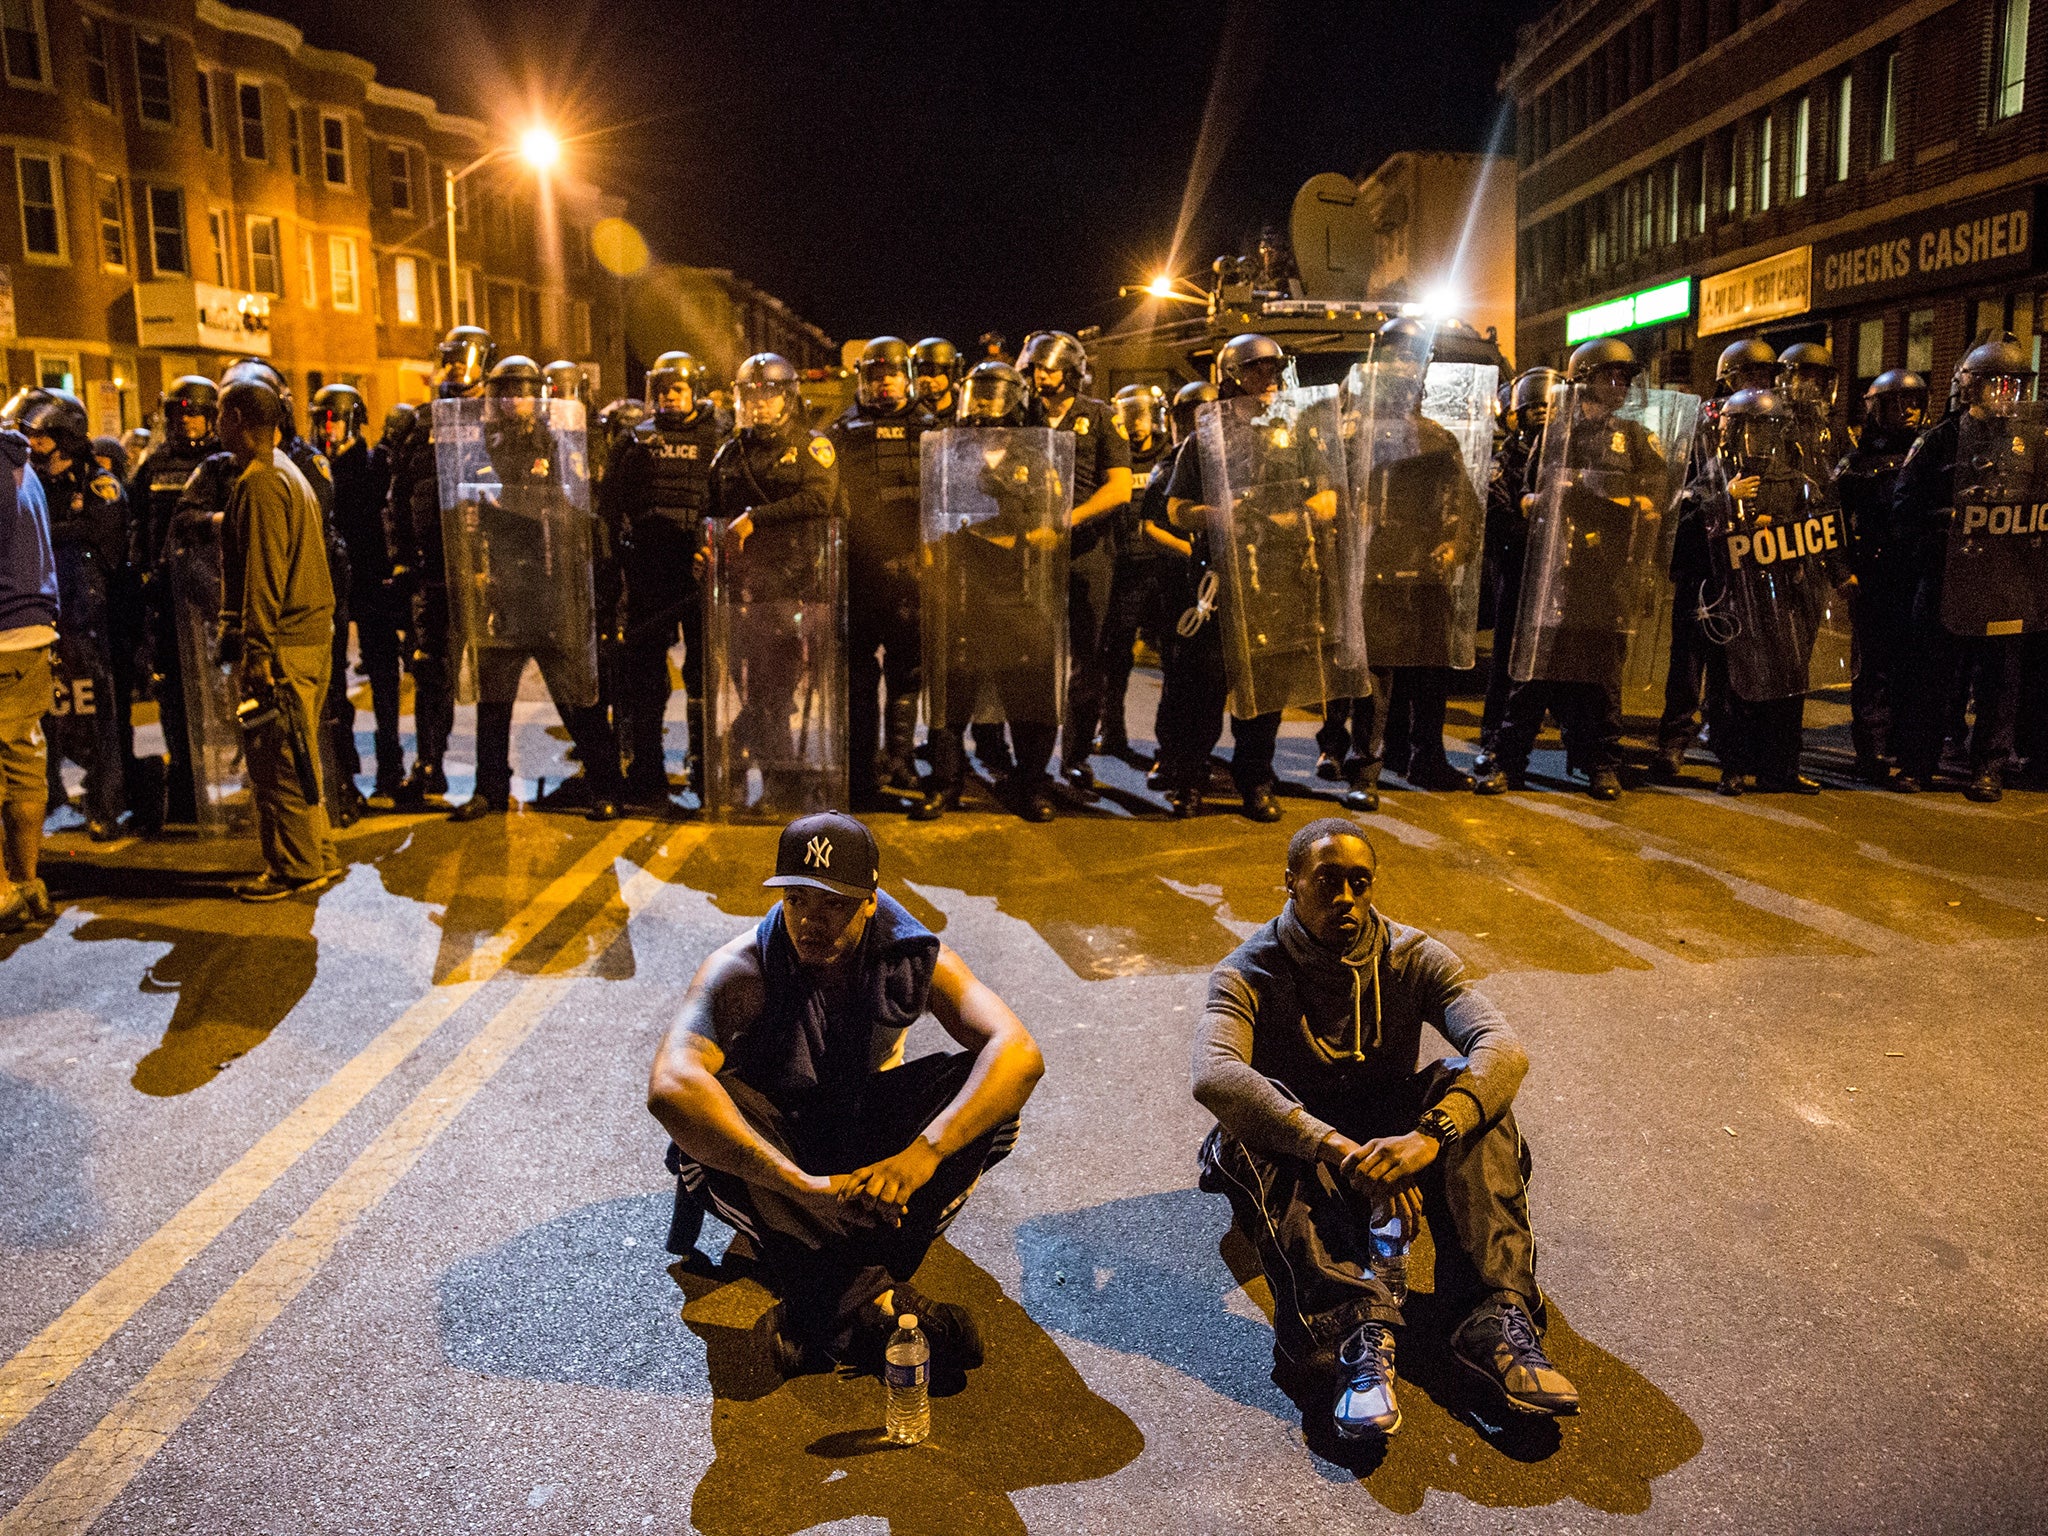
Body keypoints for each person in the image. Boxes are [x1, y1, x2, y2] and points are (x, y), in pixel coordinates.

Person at [1191, 818, 1576, 1440]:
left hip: (1397, 1135)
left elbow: (1502, 1048)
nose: (1345, 897)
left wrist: (1430, 1135)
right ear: (1290, 882)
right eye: (1327, 881)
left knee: (1473, 1091)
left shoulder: (1414, 954)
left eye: (1359, 883)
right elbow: (1214, 1074)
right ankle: (1352, 1330)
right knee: (1238, 1135)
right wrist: (1341, 1153)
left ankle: (1490, 1315)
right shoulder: (1245, 971)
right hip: (1304, 1147)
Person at [647, 810, 1043, 1372]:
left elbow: (1019, 1051)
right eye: (798, 900)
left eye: (834, 903)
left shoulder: (911, 955)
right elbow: (668, 1087)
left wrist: (920, 1156)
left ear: (870, 901)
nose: (813, 921)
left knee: (992, 1101)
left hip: (858, 1123)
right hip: (779, 1149)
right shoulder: (742, 967)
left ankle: (817, 1308)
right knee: (703, 1116)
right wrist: (800, 1185)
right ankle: (873, 1305)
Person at [1475, 337, 1671, 802]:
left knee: (1600, 677)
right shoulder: (1555, 435)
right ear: (1585, 381)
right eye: (1611, 376)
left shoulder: (1637, 438)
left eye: (1625, 378)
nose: (1620, 385)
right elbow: (1526, 496)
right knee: (1534, 672)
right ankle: (1508, 761)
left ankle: (1601, 762)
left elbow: (1662, 492)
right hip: (1555, 570)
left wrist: (1647, 505)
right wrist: (1541, 501)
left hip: (1606, 575)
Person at [444, 357, 623, 824]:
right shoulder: (483, 443)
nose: (511, 400)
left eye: (520, 391)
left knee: (572, 692)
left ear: (537, 395)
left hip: (551, 583)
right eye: (504, 392)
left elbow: (577, 503)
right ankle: (489, 790)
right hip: (504, 584)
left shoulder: (558, 441)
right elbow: (465, 497)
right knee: (494, 694)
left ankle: (605, 785)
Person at [1164, 333, 1333, 823]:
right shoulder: (1204, 437)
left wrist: (1286, 518)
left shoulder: (1298, 434)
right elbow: (1175, 509)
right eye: (1258, 370)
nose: (1269, 380)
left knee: (1266, 692)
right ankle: (1190, 783)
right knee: (1205, 690)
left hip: (1279, 578)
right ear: (1233, 376)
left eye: (1274, 370)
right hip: (1221, 578)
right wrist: (1219, 516)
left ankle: (1255, 781)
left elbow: (1328, 502)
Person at [1318, 318, 1484, 808]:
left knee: (1430, 673)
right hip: (1371, 571)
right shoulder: (1350, 433)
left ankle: (1426, 758)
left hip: (1426, 573)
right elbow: (1330, 498)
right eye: (1397, 354)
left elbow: (1463, 506)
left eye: (1414, 356)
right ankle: (1364, 771)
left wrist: (1455, 546)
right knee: (1376, 679)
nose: (1405, 366)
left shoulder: (1437, 437)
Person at [914, 360, 1069, 823]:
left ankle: (1029, 785)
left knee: (1029, 694)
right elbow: (929, 524)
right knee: (951, 694)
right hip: (960, 594)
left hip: (1020, 592)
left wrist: (1012, 539)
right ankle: (945, 785)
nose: (983, 401)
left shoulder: (1037, 456)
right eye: (978, 392)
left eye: (995, 393)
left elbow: (1054, 527)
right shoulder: (949, 454)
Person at [700, 353, 843, 814]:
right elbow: (710, 510)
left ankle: (773, 778)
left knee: (775, 691)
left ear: (788, 398)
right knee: (758, 692)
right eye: (750, 395)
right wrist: (704, 550)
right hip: (742, 595)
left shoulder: (811, 445)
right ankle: (771, 780)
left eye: (769, 395)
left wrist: (755, 519)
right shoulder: (730, 451)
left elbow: (820, 499)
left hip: (796, 589)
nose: (759, 405)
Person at [1891, 337, 2033, 802]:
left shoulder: (2032, 442)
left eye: (2013, 385)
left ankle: (1988, 767)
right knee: (1932, 676)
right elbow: (1904, 504)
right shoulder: (1940, 439)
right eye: (1994, 384)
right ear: (1972, 387)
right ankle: (1917, 763)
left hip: (2006, 579)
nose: (2004, 394)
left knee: (2000, 678)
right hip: (1947, 575)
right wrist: (1943, 522)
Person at [214, 381, 339, 901]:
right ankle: (318, 854)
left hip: (285, 641)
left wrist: (257, 652)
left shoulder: (262, 481)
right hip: (309, 634)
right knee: (300, 752)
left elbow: (264, 576)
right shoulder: (289, 471)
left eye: (221, 415)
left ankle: (295, 868)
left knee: (278, 758)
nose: (217, 425)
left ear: (238, 419)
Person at [600, 351, 721, 808]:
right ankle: (647, 769)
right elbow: (610, 507)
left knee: (702, 675)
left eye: (679, 389)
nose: (670, 397)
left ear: (694, 392)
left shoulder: (718, 436)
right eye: (663, 390)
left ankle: (705, 765)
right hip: (648, 573)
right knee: (645, 677)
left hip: (698, 571)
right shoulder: (634, 439)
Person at [1654, 337, 1777, 781]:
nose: (1759, 383)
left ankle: (1731, 754)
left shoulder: (1773, 429)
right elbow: (1676, 499)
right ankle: (1673, 743)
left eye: (1765, 376)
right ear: (1728, 378)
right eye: (1751, 374)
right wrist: (1722, 496)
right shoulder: (1697, 430)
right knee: (1687, 664)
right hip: (1701, 565)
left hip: (1747, 564)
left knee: (1733, 667)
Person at [8, 390, 127, 838]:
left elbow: (100, 533)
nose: (33, 446)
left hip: (90, 620)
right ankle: (50, 792)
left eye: (41, 438)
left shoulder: (100, 485)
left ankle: (106, 803)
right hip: (46, 620)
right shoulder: (28, 484)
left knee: (95, 714)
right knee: (45, 713)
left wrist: (64, 529)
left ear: (67, 439)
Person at [1019, 331, 1132, 795]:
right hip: (1032, 553)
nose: (1042, 376)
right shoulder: (1019, 415)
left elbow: (1120, 487)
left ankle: (1077, 756)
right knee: (1031, 658)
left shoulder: (1102, 417)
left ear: (1072, 370)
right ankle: (1030, 761)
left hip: (1087, 554)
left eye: (1050, 368)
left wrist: (1068, 522)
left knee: (1088, 661)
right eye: (1037, 369)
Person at [388, 325, 495, 805]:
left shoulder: (498, 417)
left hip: (488, 568)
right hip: (434, 567)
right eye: (448, 359)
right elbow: (399, 497)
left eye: (464, 358)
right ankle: (430, 763)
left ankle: (491, 776)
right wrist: (402, 558)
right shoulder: (421, 422)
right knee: (430, 668)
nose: (454, 368)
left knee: (497, 670)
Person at [830, 337, 932, 808]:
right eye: (875, 374)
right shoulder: (841, 431)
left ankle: (902, 758)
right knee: (858, 676)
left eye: (891, 374)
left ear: (906, 376)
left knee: (907, 673)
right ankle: (862, 763)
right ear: (863, 379)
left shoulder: (932, 428)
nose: (884, 382)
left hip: (915, 571)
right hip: (859, 571)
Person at [129, 376, 224, 825]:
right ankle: (185, 784)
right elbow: (135, 523)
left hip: (211, 593)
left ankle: (233, 787)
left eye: (195, 412)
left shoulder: (221, 462)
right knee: (173, 693)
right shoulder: (155, 464)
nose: (187, 421)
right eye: (179, 413)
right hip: (167, 594)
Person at [1834, 370, 1927, 783]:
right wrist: (1842, 571)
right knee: (1872, 667)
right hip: (1871, 572)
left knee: (1915, 665)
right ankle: (1870, 751)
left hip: (1918, 573)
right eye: (1897, 402)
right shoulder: (1855, 463)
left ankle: (1907, 749)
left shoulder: (1932, 450)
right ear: (1877, 407)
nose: (1908, 410)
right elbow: (1831, 522)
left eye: (1914, 402)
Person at [1475, 368, 1556, 778]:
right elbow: (1496, 513)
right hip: (1518, 567)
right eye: (1534, 406)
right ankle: (1493, 737)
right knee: (1508, 655)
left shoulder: (1563, 452)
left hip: (1561, 570)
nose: (1541, 413)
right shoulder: (1506, 459)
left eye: (1548, 405)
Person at [308, 384, 378, 824]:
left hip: (362, 583)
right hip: (322, 588)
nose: (329, 429)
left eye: (335, 420)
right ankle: (334, 780)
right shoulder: (311, 464)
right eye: (323, 420)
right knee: (326, 690)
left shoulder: (367, 464)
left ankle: (349, 779)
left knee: (345, 688)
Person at [1094, 383, 1173, 759]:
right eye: (1130, 417)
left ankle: (1171, 743)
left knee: (1172, 657)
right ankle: (1112, 731)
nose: (1137, 425)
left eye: (1143, 416)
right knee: (1116, 655)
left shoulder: (1170, 456)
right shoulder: (1114, 455)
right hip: (1124, 569)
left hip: (1162, 568)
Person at [0, 424, 56, 932]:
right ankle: (28, 881)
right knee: (23, 759)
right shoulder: (22, 462)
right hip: (32, 630)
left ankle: (0, 892)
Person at [912, 337, 961, 420]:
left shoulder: (965, 410)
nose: (927, 379)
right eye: (921, 372)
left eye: (934, 372)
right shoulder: (909, 411)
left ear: (951, 374)